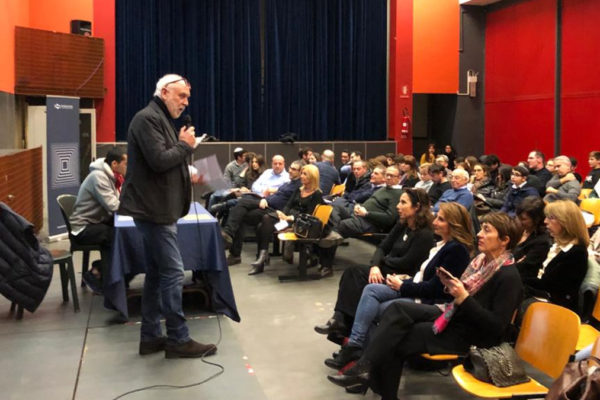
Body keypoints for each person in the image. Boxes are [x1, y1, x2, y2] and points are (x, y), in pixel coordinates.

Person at [328, 212, 523, 400]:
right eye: (482, 229)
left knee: (395, 339)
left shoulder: (508, 276)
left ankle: (367, 373)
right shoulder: (480, 262)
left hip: (472, 336)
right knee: (397, 311)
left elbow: (496, 327)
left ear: (504, 240)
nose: (479, 234)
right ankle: (365, 368)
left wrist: (463, 298)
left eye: (487, 231)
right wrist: (455, 292)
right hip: (455, 316)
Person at [119, 74, 217, 358]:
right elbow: (160, 161)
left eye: (187, 98)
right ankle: (177, 338)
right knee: (174, 272)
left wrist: (188, 171)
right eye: (181, 96)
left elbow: (161, 163)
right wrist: (185, 146)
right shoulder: (147, 119)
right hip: (154, 211)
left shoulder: (158, 120)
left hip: (158, 208)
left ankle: (150, 337)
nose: (185, 103)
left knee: (155, 274)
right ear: (164, 92)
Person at [323, 202, 473, 369]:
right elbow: (389, 251)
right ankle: (358, 348)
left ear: (454, 225)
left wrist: (402, 285)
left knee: (374, 308)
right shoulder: (440, 243)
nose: (435, 222)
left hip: (429, 301)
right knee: (370, 289)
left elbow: (436, 289)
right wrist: (405, 279)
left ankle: (366, 359)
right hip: (413, 286)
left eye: (441, 219)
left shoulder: (455, 250)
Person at [314, 188, 435, 341]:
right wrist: (375, 266)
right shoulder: (403, 224)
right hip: (388, 269)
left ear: (417, 207)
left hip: (402, 278)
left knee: (356, 275)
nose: (398, 206)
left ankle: (345, 328)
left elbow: (406, 262)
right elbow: (383, 247)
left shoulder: (425, 234)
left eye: (403, 202)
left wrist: (381, 263)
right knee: (353, 273)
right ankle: (340, 322)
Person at [221, 160, 301, 265]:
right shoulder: (288, 183)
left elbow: (287, 204)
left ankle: (228, 233)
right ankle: (235, 254)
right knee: (241, 213)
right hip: (266, 203)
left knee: (242, 202)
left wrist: (266, 200)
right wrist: (267, 197)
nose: (290, 170)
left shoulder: (297, 186)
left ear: (300, 172)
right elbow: (275, 194)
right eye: (290, 168)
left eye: (294, 169)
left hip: (275, 211)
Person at [69, 147, 127, 292]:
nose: (128, 167)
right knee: (114, 236)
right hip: (83, 228)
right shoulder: (99, 177)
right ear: (114, 164)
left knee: (124, 234)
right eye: (125, 164)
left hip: (95, 222)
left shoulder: (113, 177)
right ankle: (100, 276)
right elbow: (113, 205)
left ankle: (111, 276)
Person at [248, 164, 323, 275]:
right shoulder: (298, 190)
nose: (301, 176)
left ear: (312, 177)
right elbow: (288, 205)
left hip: (300, 223)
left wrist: (290, 217)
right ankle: (262, 258)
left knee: (263, 223)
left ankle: (261, 260)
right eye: (301, 173)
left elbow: (309, 214)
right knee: (263, 224)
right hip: (286, 219)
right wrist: (283, 213)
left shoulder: (317, 194)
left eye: (304, 174)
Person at [523, 200, 589, 313]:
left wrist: (518, 279)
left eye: (551, 218)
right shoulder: (558, 245)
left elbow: (549, 287)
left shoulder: (576, 254)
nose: (545, 221)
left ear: (566, 222)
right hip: (542, 295)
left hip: (554, 307)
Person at [513, 197, 551, 280]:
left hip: (521, 280)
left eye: (523, 219)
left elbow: (521, 268)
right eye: (517, 217)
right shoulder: (521, 229)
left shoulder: (542, 242)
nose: (518, 221)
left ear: (536, 219)